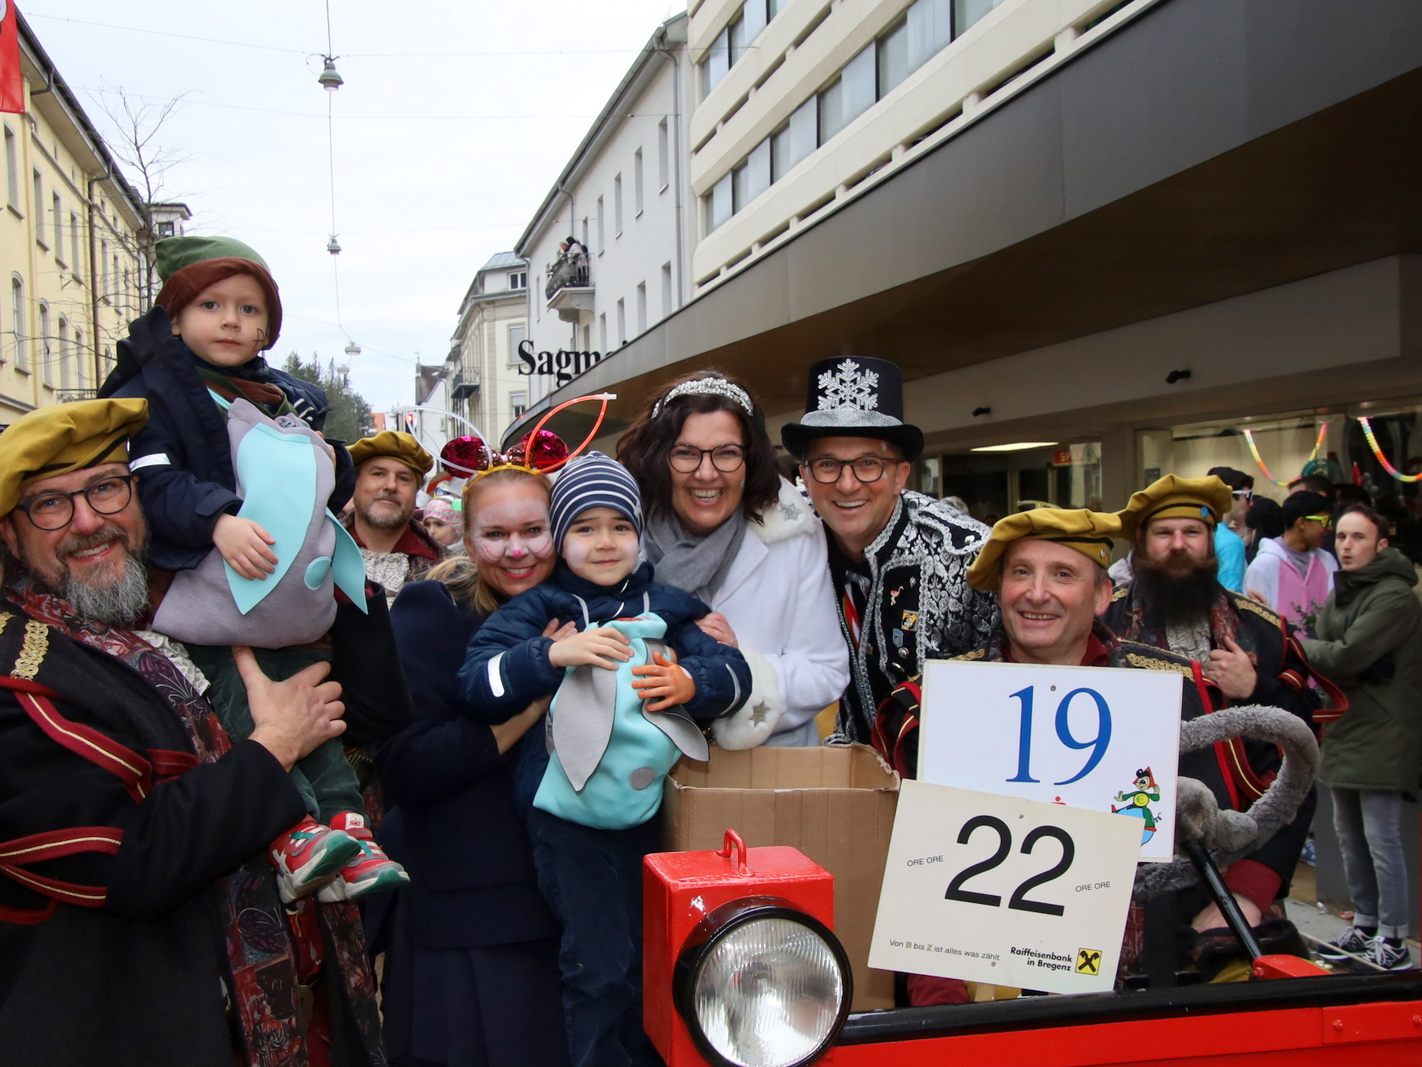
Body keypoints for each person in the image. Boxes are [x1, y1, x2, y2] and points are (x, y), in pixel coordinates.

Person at [0, 399, 384, 1064]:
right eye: (51, 504)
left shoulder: (152, 623)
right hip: (126, 1028)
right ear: (10, 534)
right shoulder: (21, 673)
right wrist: (274, 746)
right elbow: (125, 861)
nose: (90, 521)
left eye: (106, 488)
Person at [99, 234, 405, 902]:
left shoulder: (280, 396)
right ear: (175, 316)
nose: (233, 320)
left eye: (250, 307)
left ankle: (345, 822)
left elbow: (322, 480)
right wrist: (216, 517)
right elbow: (151, 481)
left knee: (313, 706)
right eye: (212, 304)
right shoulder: (154, 392)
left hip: (284, 607)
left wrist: (335, 461)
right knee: (245, 703)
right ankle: (292, 828)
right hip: (207, 600)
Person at [458, 452, 751, 1067]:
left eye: (620, 526)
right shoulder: (539, 609)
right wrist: (550, 658)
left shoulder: (671, 603)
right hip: (566, 818)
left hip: (652, 811)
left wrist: (693, 683)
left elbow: (736, 673)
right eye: (584, 528)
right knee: (597, 963)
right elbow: (475, 685)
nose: (604, 542)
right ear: (561, 541)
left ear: (639, 536)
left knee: (658, 953)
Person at [961, 507, 1310, 986]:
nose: (1036, 592)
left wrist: (1245, 895)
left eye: (1063, 574)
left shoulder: (1175, 690)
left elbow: (1281, 793)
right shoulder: (941, 702)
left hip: (1164, 978)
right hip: (992, 987)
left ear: (1105, 594)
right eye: (1021, 572)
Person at [376, 466, 569, 1066]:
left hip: (568, 907)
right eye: (496, 534)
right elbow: (407, 766)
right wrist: (535, 693)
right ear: (465, 535)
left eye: (534, 530)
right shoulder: (434, 608)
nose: (517, 551)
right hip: (469, 916)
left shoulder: (588, 603)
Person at [1100, 474, 1325, 938]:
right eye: (1164, 534)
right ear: (1141, 544)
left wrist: (1259, 688)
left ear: (1211, 544)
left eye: (1192, 533)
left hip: (1240, 864)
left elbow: (1300, 764)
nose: (1178, 545)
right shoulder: (1099, 629)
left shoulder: (1262, 630)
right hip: (1117, 872)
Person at [616, 371, 849, 747]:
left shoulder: (794, 536)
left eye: (726, 453)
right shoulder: (618, 535)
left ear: (749, 460)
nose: (706, 474)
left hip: (762, 774)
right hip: (638, 774)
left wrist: (733, 665)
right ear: (660, 458)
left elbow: (826, 671)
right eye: (686, 453)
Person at [779, 355, 997, 748]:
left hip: (952, 780)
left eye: (869, 464)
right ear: (806, 477)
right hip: (850, 771)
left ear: (900, 475)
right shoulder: (789, 543)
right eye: (828, 464)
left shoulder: (968, 556)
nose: (847, 484)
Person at [1301, 506, 1422, 970]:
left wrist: (1305, 647)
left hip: (1384, 729)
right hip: (1346, 724)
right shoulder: (1348, 590)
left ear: (1382, 545)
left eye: (1358, 537)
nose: (1346, 545)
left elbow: (1344, 655)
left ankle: (1394, 936)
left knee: (1382, 837)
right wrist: (1321, 651)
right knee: (1348, 836)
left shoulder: (1395, 597)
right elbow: (1330, 648)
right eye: (1342, 536)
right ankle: (1366, 922)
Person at [346, 430, 445, 601]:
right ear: (355, 483)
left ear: (416, 492)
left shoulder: (447, 569)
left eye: (403, 478)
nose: (391, 486)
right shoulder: (317, 552)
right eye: (378, 474)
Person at [1244, 490, 1338, 634]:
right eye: (1324, 522)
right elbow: (1256, 624)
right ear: (1301, 523)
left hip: (1322, 653)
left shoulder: (1327, 561)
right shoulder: (1264, 565)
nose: (1329, 529)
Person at [1205, 466, 1252, 592]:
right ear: (1229, 496)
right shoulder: (1231, 543)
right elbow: (1231, 597)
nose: (1250, 503)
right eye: (1247, 496)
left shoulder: (1200, 533)